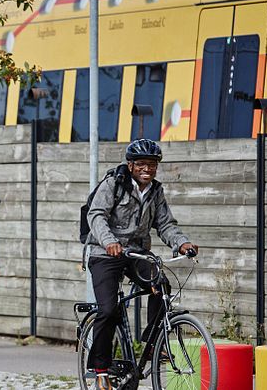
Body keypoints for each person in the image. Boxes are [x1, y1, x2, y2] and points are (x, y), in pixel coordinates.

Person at [85, 139, 199, 390]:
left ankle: (153, 341)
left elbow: (166, 224)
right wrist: (109, 242)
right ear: (131, 165)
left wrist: (181, 243)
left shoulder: (156, 191)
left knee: (162, 284)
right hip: (105, 254)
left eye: (153, 164)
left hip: (136, 254)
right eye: (142, 164)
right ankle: (101, 369)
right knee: (108, 309)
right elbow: (96, 215)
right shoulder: (113, 184)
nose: (148, 168)